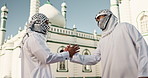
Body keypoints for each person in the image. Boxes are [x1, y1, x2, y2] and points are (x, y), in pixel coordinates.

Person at [68, 9, 148, 78]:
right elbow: (94, 58)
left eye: (101, 17)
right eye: (97, 20)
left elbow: (142, 48)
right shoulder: (102, 40)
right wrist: (72, 55)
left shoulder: (125, 27)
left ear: (109, 16)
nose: (99, 21)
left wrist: (144, 73)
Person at [20, 13, 79, 78]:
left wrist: (65, 53)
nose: (47, 26)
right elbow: (47, 58)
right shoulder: (34, 38)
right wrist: (68, 53)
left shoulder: (34, 37)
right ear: (38, 23)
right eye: (46, 23)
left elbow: (45, 56)